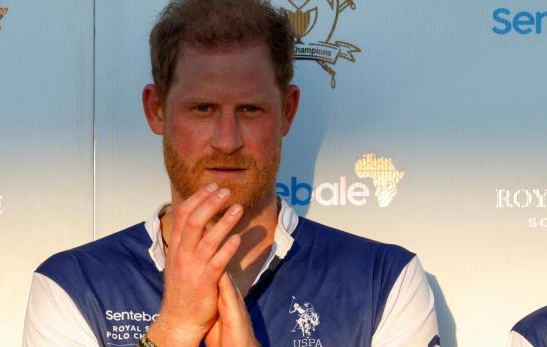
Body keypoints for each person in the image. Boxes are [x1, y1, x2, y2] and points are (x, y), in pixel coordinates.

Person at [23, 0, 440, 346]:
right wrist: (174, 330)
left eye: (250, 109)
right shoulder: (73, 287)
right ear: (156, 110)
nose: (227, 140)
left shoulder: (383, 281)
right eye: (202, 109)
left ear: (287, 112)